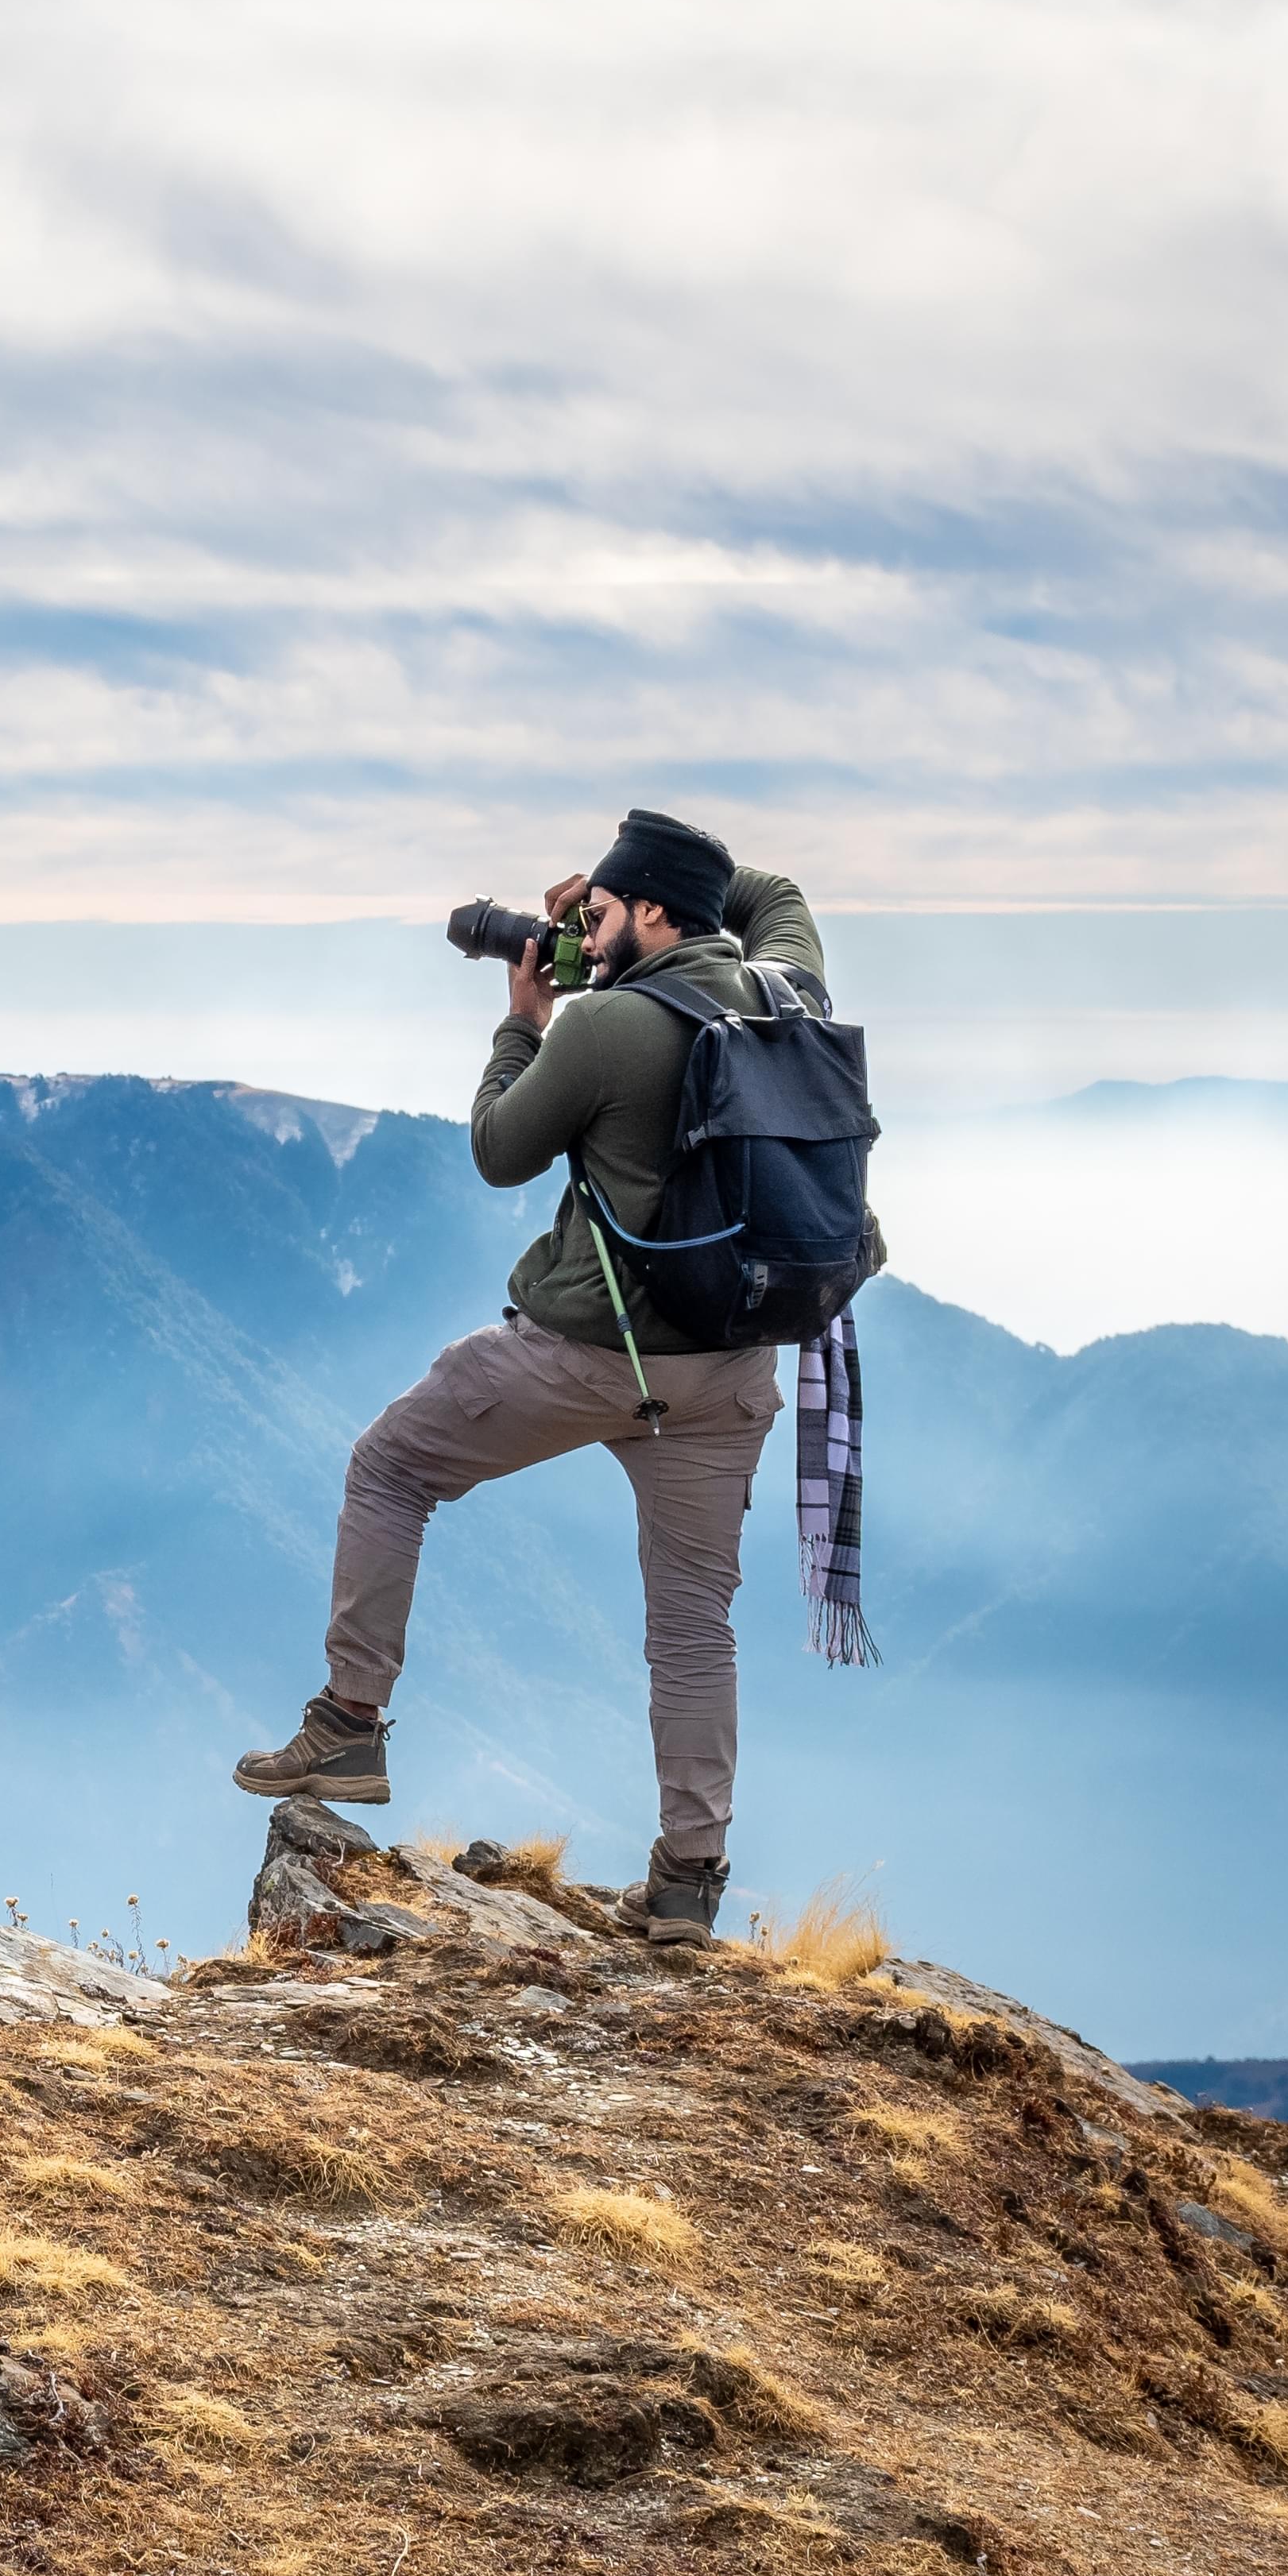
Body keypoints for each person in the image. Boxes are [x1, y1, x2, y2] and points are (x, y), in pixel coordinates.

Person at [230, 806, 833, 1946]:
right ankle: (689, 1886)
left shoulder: (603, 1027)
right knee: (694, 1624)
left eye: (608, 910)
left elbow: (501, 1149)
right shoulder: (789, 987)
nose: (588, 926)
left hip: (589, 1357)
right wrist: (646, 891)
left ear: (654, 912)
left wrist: (525, 1021)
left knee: (391, 1466)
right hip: (738, 1369)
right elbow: (774, 894)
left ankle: (350, 1723)